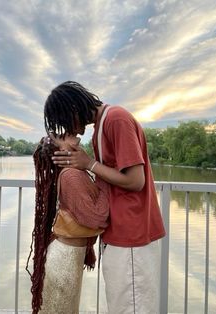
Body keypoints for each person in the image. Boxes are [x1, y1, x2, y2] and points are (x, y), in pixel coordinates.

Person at [45, 81, 166, 314]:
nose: (67, 128)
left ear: (73, 107)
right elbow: (106, 178)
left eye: (64, 119)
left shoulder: (115, 119)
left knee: (132, 307)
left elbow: (136, 180)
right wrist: (85, 163)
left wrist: (89, 163)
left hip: (132, 235)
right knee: (121, 306)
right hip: (117, 234)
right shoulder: (100, 128)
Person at [26, 134, 109, 314]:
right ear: (61, 152)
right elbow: (96, 218)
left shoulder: (74, 171)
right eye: (62, 136)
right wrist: (106, 181)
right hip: (64, 260)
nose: (71, 133)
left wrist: (91, 165)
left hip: (68, 257)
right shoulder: (71, 175)